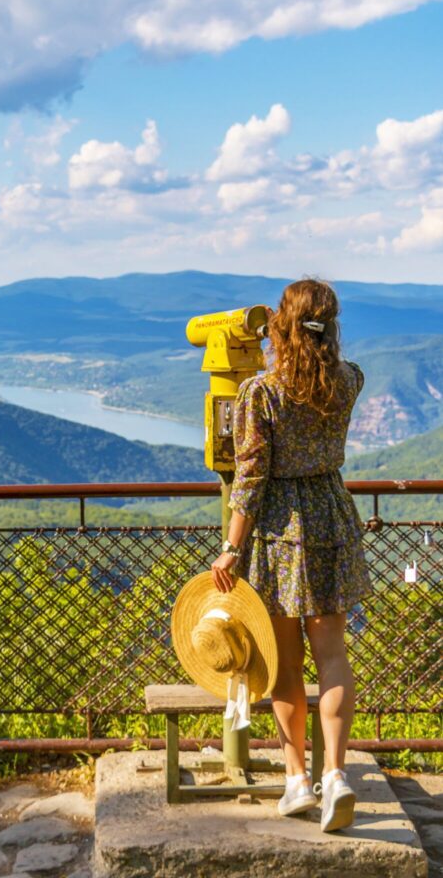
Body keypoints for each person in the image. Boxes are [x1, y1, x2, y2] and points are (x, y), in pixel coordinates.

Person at [209, 278, 373, 833]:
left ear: (283, 323)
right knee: (333, 655)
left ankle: (298, 780)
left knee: (284, 664)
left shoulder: (262, 391)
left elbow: (251, 479)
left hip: (282, 530)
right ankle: (337, 776)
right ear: (332, 324)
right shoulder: (349, 382)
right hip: (332, 514)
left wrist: (231, 548)